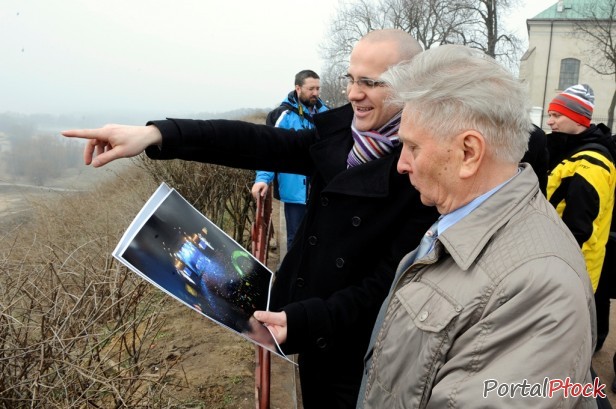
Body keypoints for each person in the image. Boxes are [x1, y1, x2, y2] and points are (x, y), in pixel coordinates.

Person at [62, 29, 440, 408]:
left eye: (370, 83)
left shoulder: (425, 172)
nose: (354, 93)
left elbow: (388, 286)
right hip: (313, 334)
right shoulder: (345, 136)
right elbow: (253, 142)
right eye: (351, 79)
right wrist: (156, 134)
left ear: (411, 86)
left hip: (364, 354)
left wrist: (307, 321)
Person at [358, 44, 597, 408]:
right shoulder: (464, 219)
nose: (402, 164)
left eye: (412, 147)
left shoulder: (539, 288)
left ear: (469, 152)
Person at [546, 83, 616, 294]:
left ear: (578, 118)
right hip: (562, 266)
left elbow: (579, 231)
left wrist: (562, 276)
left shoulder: (590, 163)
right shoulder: (569, 151)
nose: (550, 121)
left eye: (557, 115)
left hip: (572, 275)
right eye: (550, 115)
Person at [251, 69, 328, 250]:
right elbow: (270, 150)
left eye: (318, 88)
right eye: (311, 89)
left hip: (321, 188)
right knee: (296, 238)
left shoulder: (327, 114)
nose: (316, 93)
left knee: (321, 236)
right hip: (295, 192)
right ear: (298, 88)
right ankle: (293, 276)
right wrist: (262, 179)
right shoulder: (282, 115)